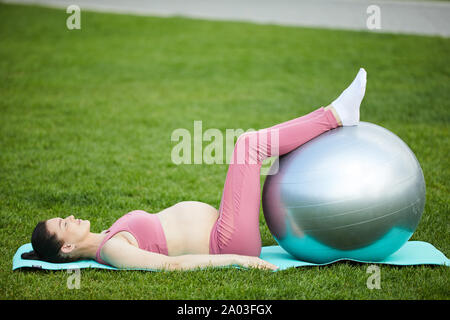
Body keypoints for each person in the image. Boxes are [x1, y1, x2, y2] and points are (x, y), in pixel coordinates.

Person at [22, 68, 367, 271]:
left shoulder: (108, 236)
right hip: (226, 243)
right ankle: (335, 116)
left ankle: (333, 119)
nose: (70, 217)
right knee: (249, 146)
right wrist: (238, 260)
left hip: (225, 231)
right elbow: (170, 267)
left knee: (251, 145)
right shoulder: (111, 250)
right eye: (64, 225)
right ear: (66, 248)